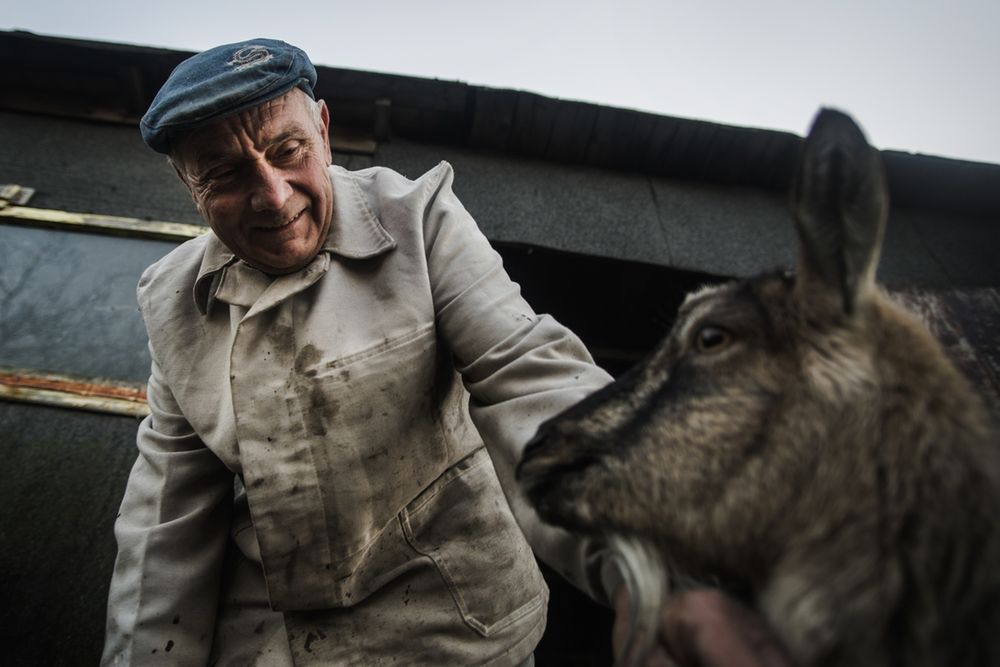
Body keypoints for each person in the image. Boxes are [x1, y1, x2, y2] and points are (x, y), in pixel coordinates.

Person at [102, 38, 792, 667]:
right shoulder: (174, 302)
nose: (274, 196)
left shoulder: (414, 217)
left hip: (453, 632)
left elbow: (528, 375)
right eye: (225, 175)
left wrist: (656, 569)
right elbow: (165, 525)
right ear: (191, 191)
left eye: (286, 150)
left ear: (323, 128)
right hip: (268, 647)